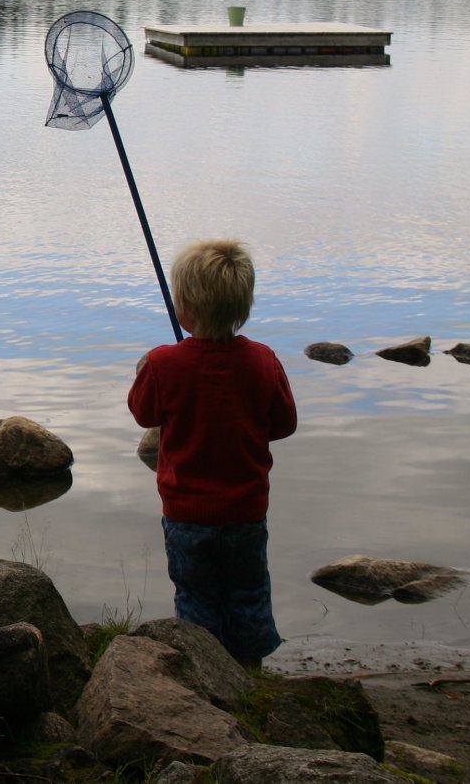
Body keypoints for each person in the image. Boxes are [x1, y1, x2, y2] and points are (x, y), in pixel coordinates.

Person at [127, 238, 296, 668]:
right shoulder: (264, 360)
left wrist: (144, 371)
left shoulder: (165, 364)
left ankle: (207, 678)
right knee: (249, 594)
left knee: (197, 597)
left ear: (181, 306)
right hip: (246, 512)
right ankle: (251, 676)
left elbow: (142, 412)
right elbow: (284, 424)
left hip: (188, 517)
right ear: (245, 303)